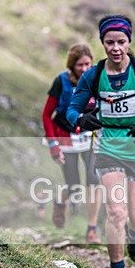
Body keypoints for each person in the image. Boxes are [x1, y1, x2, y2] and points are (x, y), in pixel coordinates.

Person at [66, 14, 135, 268]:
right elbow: (71, 110)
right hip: (108, 146)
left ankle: (134, 234)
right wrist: (81, 120)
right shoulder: (93, 76)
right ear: (102, 43)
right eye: (109, 42)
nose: (115, 48)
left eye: (121, 42)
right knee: (116, 211)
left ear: (129, 42)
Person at [41, 43, 104, 243]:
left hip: (91, 136)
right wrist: (53, 144)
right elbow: (46, 114)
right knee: (74, 185)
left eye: (87, 64)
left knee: (94, 179)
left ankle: (91, 229)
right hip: (65, 136)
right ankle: (60, 201)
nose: (84, 69)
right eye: (80, 65)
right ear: (71, 65)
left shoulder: (98, 79)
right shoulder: (61, 81)